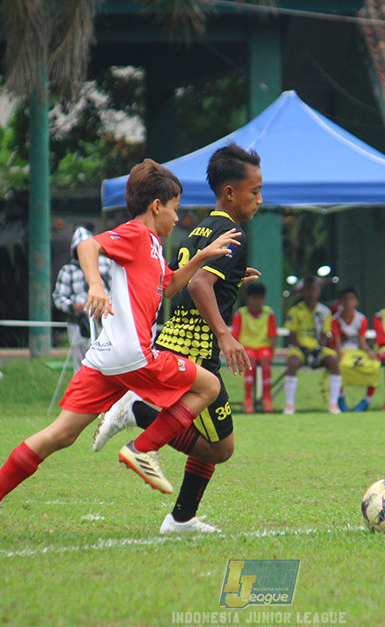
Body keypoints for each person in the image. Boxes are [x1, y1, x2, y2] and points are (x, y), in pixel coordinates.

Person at [0, 159, 242, 544]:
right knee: (207, 386)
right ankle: (143, 449)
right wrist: (95, 285)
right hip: (131, 353)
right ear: (157, 206)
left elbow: (171, 286)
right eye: (175, 208)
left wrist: (201, 258)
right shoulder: (136, 234)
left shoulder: (155, 248)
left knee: (60, 434)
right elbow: (87, 245)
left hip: (105, 357)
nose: (178, 217)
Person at [91, 143, 263, 534]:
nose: (260, 199)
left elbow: (178, 279)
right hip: (197, 349)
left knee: (210, 440)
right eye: (254, 191)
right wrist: (225, 334)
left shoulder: (198, 229)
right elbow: (200, 283)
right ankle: (137, 411)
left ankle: (182, 518)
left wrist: (233, 277)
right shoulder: (232, 231)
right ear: (230, 193)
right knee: (222, 448)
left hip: (176, 339)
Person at [282, 277, 343, 414]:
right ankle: (289, 405)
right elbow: (291, 336)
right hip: (299, 348)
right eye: (308, 290)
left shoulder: (325, 311)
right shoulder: (295, 311)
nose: (311, 293)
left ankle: (333, 404)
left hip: (318, 349)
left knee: (334, 361)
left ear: (319, 292)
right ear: (302, 292)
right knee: (293, 362)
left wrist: (317, 349)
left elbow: (325, 334)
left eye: (314, 290)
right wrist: (304, 350)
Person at [330, 286, 381, 412]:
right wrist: (339, 353)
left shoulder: (361, 319)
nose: (348, 302)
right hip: (343, 351)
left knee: (374, 365)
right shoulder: (335, 320)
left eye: (351, 298)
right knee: (339, 366)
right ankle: (341, 398)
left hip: (357, 351)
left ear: (356, 302)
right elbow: (337, 343)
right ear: (340, 302)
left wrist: (370, 352)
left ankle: (367, 400)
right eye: (345, 299)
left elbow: (362, 342)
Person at [231, 281, 278, 413]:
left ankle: (267, 399)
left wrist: (272, 354)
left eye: (259, 298)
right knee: (250, 361)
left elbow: (273, 334)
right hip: (246, 348)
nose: (257, 301)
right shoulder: (241, 313)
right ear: (248, 298)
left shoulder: (269, 313)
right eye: (253, 297)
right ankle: (248, 400)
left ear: (264, 299)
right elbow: (235, 335)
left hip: (263, 347)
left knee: (265, 361)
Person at [52, 257, 91, 374]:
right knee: (80, 363)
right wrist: (72, 306)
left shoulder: (105, 264)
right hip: (78, 322)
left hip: (101, 321)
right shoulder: (68, 270)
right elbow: (58, 296)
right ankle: (81, 389)